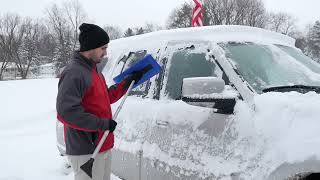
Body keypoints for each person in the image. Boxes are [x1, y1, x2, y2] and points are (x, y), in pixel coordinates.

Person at [56, 23, 143, 180]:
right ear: (91, 47)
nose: (105, 53)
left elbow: (105, 98)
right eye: (103, 48)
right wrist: (102, 124)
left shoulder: (93, 71)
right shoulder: (74, 73)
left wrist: (128, 81)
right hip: (86, 150)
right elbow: (67, 113)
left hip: (102, 144)